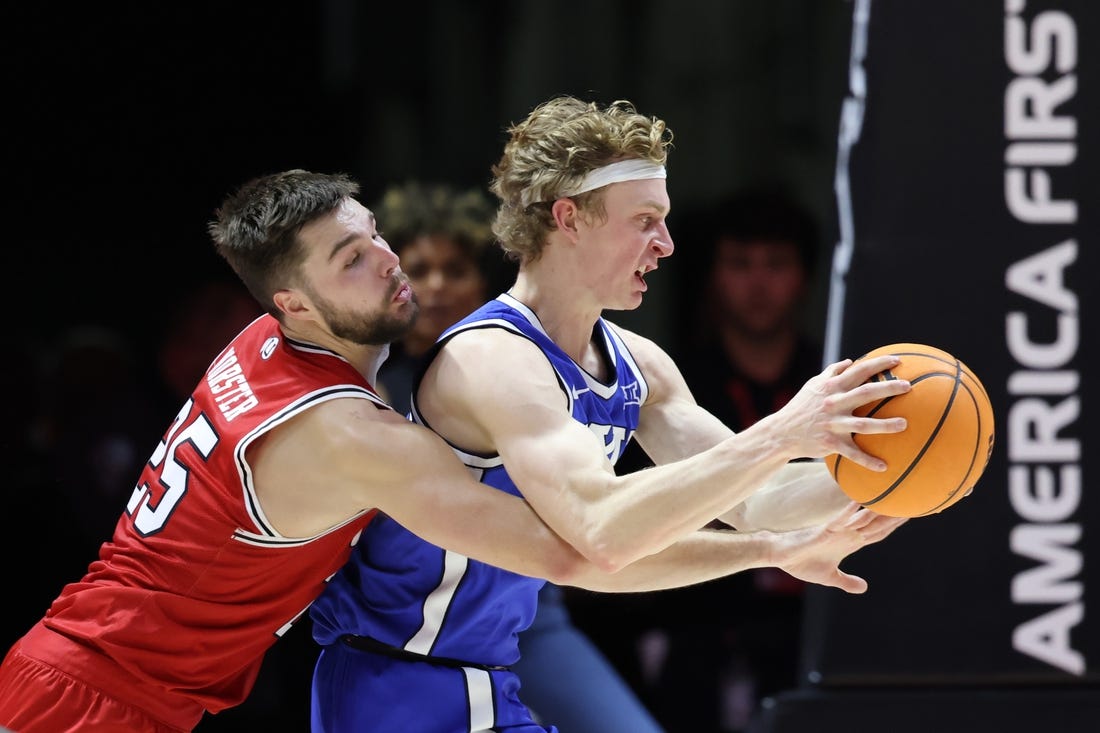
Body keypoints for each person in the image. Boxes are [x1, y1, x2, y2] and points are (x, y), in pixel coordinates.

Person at [308, 96, 914, 733]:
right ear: (570, 218)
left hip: (487, 673)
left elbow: (756, 501)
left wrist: (898, 465)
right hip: (392, 685)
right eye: (646, 219)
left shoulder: (639, 366)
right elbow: (600, 532)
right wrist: (781, 433)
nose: (668, 244)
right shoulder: (489, 359)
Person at [0, 169, 609, 733]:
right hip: (93, 699)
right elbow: (571, 550)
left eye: (373, 234)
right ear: (294, 303)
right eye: (352, 261)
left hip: (85, 667)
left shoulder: (267, 336)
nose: (388, 261)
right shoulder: (349, 434)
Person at [372, 181, 664, 733]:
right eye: (419, 269)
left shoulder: (520, 360)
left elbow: (588, 533)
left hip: (529, 614)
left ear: (485, 278)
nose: (433, 286)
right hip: (419, 631)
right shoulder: (369, 384)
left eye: (454, 270)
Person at [644, 187, 830, 732]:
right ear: (713, 275)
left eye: (775, 264)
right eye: (740, 264)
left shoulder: (835, 378)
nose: (758, 284)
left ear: (805, 277)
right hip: (702, 627)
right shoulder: (673, 387)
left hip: (816, 623)